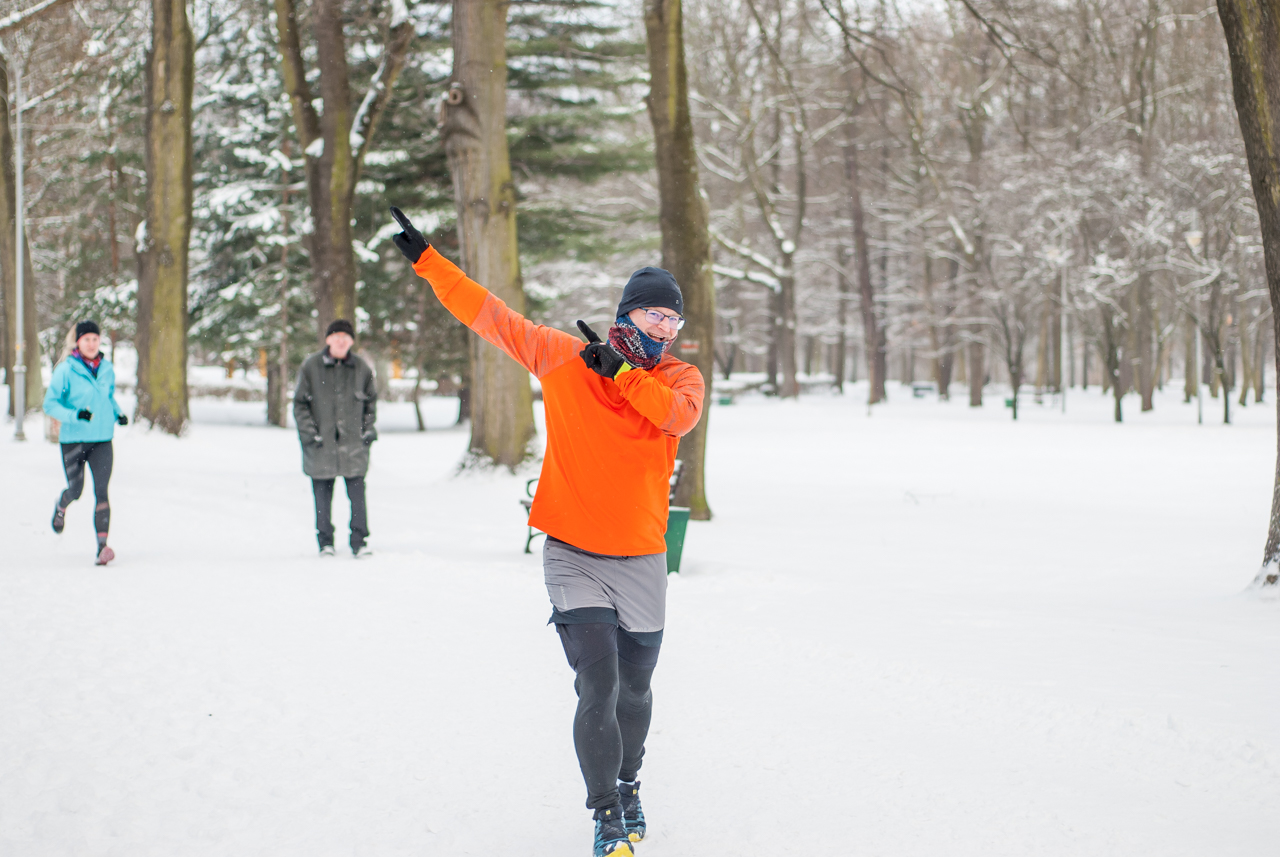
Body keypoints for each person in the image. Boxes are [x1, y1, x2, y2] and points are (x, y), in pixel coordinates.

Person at [390, 207, 704, 857]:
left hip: (643, 556)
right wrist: (430, 262)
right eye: (655, 315)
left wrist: (618, 373)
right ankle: (606, 812)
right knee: (598, 682)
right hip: (573, 554)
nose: (666, 329)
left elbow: (675, 419)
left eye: (674, 320)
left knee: (636, 690)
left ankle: (629, 779)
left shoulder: (679, 379)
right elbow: (492, 316)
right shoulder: (563, 359)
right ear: (627, 314)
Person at [42, 321, 128, 566]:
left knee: (102, 492)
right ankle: (62, 505)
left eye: (95, 339)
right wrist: (74, 415)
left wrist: (118, 413)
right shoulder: (66, 370)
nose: (91, 344)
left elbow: (108, 398)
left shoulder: (107, 368)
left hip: (102, 439)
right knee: (76, 491)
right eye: (86, 339)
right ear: (77, 342)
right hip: (73, 441)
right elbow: (50, 404)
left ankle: (102, 547)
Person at [292, 319, 378, 558]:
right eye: (336, 336)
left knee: (358, 497)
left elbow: (371, 403)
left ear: (351, 341)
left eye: (346, 337)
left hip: (354, 446)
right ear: (328, 339)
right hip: (321, 446)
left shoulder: (361, 368)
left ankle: (359, 541)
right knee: (322, 497)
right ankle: (325, 541)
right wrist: (310, 434)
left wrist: (366, 431)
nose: (341, 340)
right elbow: (300, 404)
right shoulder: (311, 366)